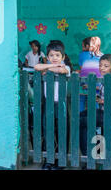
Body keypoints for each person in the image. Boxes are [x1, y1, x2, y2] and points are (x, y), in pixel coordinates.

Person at [34, 41, 71, 170]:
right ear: (47, 57)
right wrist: (49, 66)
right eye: (51, 56)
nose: (54, 58)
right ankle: (49, 160)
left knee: (62, 131)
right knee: (48, 130)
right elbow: (36, 67)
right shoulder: (46, 66)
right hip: (48, 105)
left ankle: (61, 161)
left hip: (61, 105)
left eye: (57, 55)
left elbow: (62, 70)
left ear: (63, 57)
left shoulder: (67, 67)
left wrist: (49, 68)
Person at [80, 54, 111, 159]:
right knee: (81, 116)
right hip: (102, 111)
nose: (102, 68)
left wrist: (103, 101)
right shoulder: (103, 80)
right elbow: (102, 94)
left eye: (106, 66)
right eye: (100, 65)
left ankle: (88, 154)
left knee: (81, 120)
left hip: (108, 114)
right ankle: (91, 152)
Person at [79, 37, 103, 112]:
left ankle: (80, 116)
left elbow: (82, 67)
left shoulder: (82, 54)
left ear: (87, 46)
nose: (82, 48)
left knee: (81, 101)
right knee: (94, 101)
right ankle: (96, 118)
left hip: (84, 82)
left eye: (83, 46)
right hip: (97, 84)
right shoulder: (102, 55)